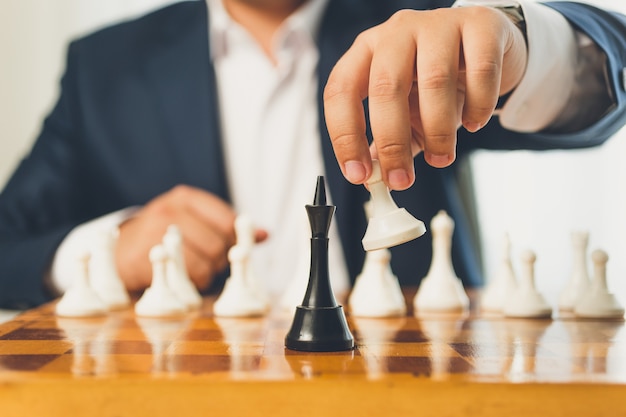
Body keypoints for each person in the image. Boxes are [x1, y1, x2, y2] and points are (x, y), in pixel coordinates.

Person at [0, 0, 624, 310]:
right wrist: (111, 248)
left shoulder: (417, 24)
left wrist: (513, 41)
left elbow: (604, 82)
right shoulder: (103, 67)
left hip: (408, 390)